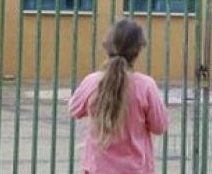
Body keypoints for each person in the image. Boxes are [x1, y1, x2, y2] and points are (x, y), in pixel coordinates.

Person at [70, 19, 169, 173]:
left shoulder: (92, 81)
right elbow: (160, 126)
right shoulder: (146, 86)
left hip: (97, 169)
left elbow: (74, 109)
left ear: (107, 46)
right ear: (138, 50)